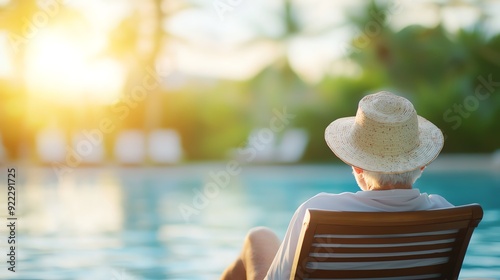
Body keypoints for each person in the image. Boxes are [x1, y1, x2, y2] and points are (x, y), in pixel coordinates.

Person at [220, 91, 454, 280]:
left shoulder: (318, 210)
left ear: (357, 165)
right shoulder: (447, 215)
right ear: (422, 165)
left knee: (259, 237)